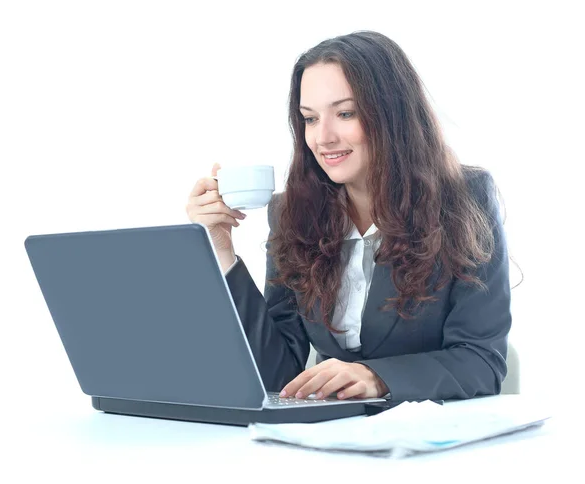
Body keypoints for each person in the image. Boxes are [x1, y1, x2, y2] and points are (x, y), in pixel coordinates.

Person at [186, 30, 511, 402]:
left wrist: (378, 378)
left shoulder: (465, 198)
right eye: (309, 119)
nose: (322, 137)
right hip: (330, 437)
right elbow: (275, 375)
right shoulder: (292, 213)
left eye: (345, 113)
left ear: (392, 115)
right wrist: (219, 247)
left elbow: (481, 363)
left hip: (432, 437)